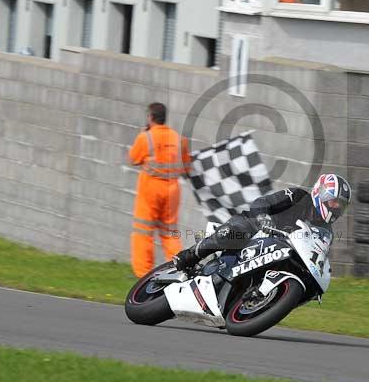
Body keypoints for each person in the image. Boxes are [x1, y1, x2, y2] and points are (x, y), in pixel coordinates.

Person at [173, 174, 352, 274]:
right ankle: (191, 255)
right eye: (334, 201)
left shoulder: (325, 231)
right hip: (256, 229)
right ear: (321, 194)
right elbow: (263, 202)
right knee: (235, 233)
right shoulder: (298, 197)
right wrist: (263, 218)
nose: (336, 208)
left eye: (340, 205)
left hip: (280, 253)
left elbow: (317, 255)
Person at [128, 103, 191, 277]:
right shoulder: (179, 139)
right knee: (169, 233)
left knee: (143, 231)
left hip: (151, 188)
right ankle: (180, 269)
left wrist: (143, 132)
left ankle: (143, 274)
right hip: (172, 190)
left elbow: (133, 158)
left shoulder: (145, 137)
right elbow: (188, 167)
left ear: (150, 117)